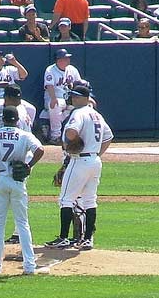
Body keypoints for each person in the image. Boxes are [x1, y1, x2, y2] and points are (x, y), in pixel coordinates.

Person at [0, 105, 45, 275]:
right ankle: (29, 266)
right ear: (17, 120)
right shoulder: (25, 135)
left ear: (2, 119)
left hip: (0, 180)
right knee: (22, 224)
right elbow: (40, 150)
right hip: (18, 182)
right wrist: (29, 165)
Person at [44, 85, 113, 251]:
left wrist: (71, 144)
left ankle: (63, 238)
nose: (73, 99)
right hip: (95, 161)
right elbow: (109, 137)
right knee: (90, 200)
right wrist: (97, 153)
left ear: (85, 98)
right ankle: (88, 239)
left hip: (79, 161)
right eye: (72, 96)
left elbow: (71, 132)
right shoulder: (97, 115)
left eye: (76, 96)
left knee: (65, 200)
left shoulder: (79, 112)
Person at [1, 84, 35, 244]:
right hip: (26, 155)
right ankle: (17, 232)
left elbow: (15, 139)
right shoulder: (25, 109)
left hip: (19, 158)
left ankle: (18, 233)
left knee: (16, 195)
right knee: (18, 193)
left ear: (8, 97)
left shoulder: (16, 113)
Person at [40, 48, 82, 145]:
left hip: (69, 99)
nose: (68, 60)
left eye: (68, 58)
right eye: (65, 58)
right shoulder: (50, 70)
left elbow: (79, 85)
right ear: (59, 60)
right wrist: (53, 98)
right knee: (56, 105)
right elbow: (49, 86)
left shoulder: (72, 69)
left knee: (78, 108)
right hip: (54, 98)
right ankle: (55, 136)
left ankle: (45, 118)